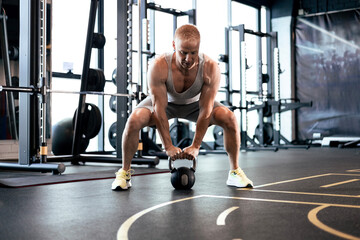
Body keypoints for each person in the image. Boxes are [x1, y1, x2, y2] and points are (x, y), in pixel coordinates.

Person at [111, 24, 253, 190]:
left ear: (199, 48)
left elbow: (206, 110)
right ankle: (125, 173)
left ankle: (235, 172)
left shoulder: (210, 67)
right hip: (167, 104)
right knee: (134, 120)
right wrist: (168, 147)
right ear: (174, 46)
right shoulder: (159, 66)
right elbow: (159, 110)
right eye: (183, 52)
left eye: (193, 52)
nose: (188, 59)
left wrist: (196, 146)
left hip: (195, 104)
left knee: (229, 117)